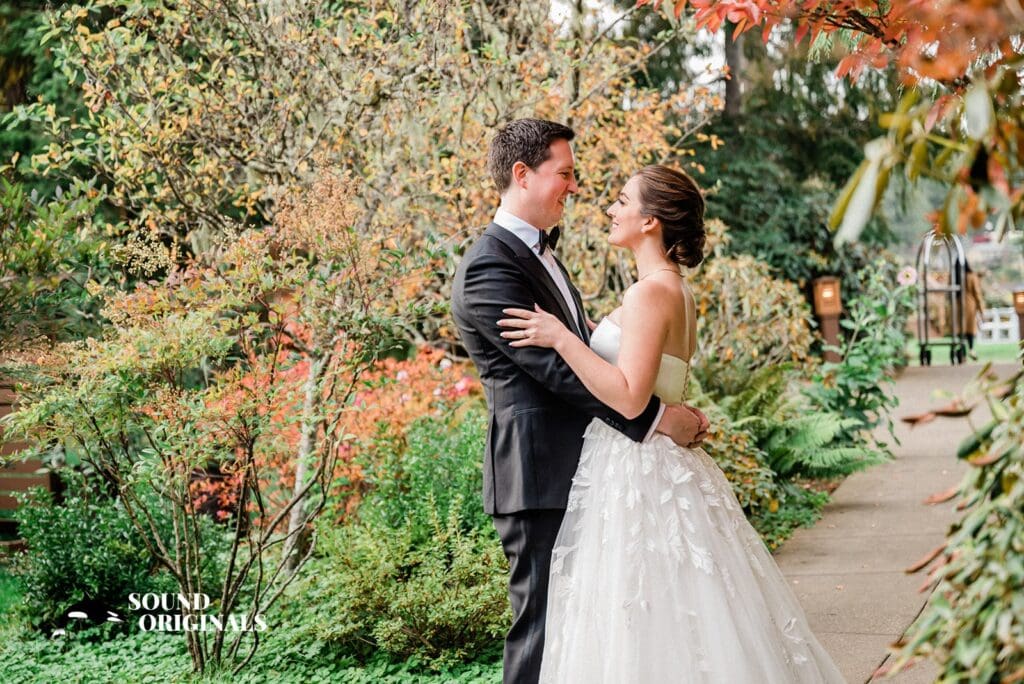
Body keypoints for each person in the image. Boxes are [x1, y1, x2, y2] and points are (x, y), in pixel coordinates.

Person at [498, 165, 845, 682]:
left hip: (637, 469)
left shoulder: (647, 294)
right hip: (662, 461)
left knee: (640, 610)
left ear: (650, 221)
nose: (610, 210)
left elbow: (632, 396)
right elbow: (647, 364)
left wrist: (562, 337)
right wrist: (592, 331)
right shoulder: (672, 290)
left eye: (621, 201)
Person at [450, 120, 710, 684]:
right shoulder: (489, 267)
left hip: (595, 469)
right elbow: (554, 374)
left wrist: (586, 334)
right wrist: (659, 418)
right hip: (539, 471)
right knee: (545, 628)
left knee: (596, 630)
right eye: (564, 173)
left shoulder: (546, 256)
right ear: (523, 175)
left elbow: (585, 353)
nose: (575, 186)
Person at [961, 259, 985, 359]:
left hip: (957, 305)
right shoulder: (971, 276)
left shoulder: (954, 276)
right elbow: (977, 293)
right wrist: (981, 309)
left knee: (960, 329)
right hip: (970, 305)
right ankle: (971, 349)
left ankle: (961, 352)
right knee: (970, 328)